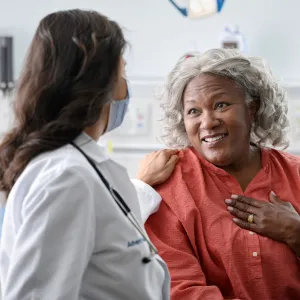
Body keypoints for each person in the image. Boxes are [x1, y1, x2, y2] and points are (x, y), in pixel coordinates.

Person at [0, 9, 178, 300]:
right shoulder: (66, 178)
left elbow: (105, 239)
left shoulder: (81, 168)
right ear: (100, 85)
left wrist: (142, 185)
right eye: (123, 73)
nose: (126, 88)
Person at [141, 49, 300, 300]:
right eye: (194, 111)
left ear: (252, 108)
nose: (208, 122)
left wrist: (296, 232)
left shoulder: (295, 174)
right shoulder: (171, 184)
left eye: (221, 105)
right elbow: (179, 289)